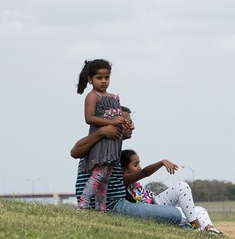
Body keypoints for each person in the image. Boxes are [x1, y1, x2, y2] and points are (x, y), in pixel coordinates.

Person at [71, 106, 182, 225]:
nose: (132, 127)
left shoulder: (114, 148)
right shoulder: (100, 144)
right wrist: (101, 132)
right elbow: (74, 152)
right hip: (114, 206)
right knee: (174, 214)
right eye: (128, 122)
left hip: (114, 204)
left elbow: (126, 179)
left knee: (173, 212)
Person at [121, 149, 223, 234]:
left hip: (155, 202)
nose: (139, 167)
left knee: (199, 209)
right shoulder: (122, 181)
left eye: (139, 163)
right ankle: (198, 229)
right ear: (124, 170)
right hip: (149, 210)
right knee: (182, 188)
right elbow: (145, 172)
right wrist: (162, 162)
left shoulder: (135, 184)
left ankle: (211, 230)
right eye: (135, 165)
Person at [76, 59, 123, 211]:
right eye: (99, 78)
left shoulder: (113, 97)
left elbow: (117, 117)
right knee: (98, 174)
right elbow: (89, 118)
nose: (104, 81)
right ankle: (83, 204)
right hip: (102, 142)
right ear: (90, 79)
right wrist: (112, 121)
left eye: (107, 77)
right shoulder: (93, 96)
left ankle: (100, 208)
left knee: (105, 177)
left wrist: (124, 123)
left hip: (113, 143)